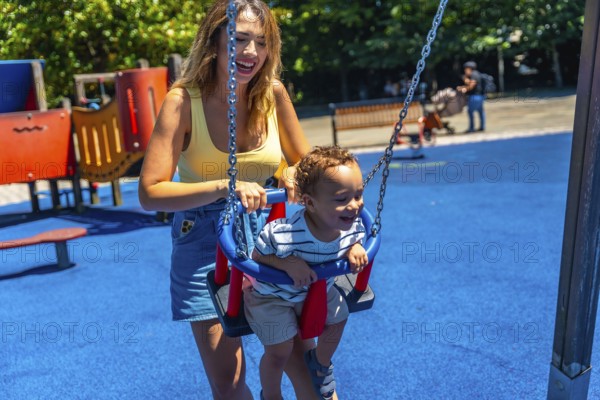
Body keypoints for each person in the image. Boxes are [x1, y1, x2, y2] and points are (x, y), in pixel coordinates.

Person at [138, 1, 326, 399]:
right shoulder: (182, 101)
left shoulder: (273, 95)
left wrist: (291, 172)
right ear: (214, 43)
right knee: (229, 379)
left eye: (261, 42)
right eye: (239, 40)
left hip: (272, 236)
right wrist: (226, 185)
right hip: (205, 237)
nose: (251, 53)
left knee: (300, 355)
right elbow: (151, 191)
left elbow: (307, 167)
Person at [244, 146, 369, 400]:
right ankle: (271, 393)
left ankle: (321, 363)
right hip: (272, 296)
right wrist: (286, 263)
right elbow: (256, 256)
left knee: (339, 317)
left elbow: (357, 237)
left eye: (358, 195)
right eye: (342, 199)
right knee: (280, 351)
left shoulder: (352, 226)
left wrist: (355, 248)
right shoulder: (284, 233)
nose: (354, 206)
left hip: (317, 290)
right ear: (310, 203)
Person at [457, 61, 485, 132]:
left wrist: (463, 89)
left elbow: (471, 86)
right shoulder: (477, 74)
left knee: (470, 111)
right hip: (480, 96)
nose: (465, 70)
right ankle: (482, 127)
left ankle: (472, 128)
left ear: (470, 68)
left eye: (466, 69)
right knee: (480, 111)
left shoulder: (474, 75)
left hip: (474, 97)